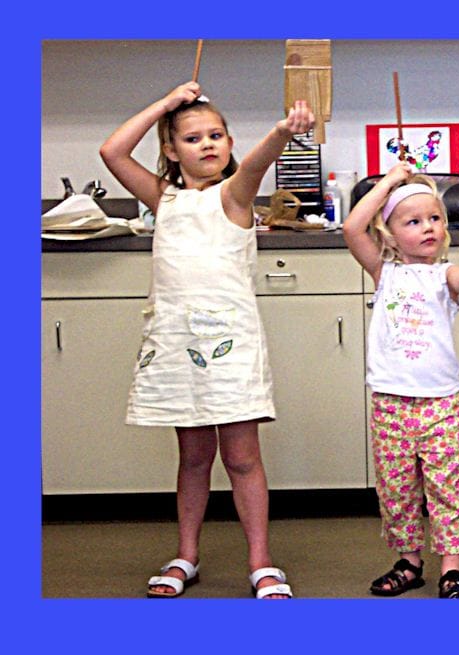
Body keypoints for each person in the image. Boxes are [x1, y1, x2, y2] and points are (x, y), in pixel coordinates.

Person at [99, 81, 315, 599]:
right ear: (171, 151)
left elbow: (259, 164)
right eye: (193, 138)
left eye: (217, 135)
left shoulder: (233, 194)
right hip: (176, 346)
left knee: (242, 457)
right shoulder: (163, 199)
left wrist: (283, 131)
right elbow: (112, 150)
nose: (209, 145)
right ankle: (186, 555)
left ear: (230, 141)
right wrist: (167, 105)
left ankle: (261, 561)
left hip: (229, 348)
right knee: (193, 457)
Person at [342, 161, 459, 599]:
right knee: (397, 487)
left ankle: (452, 568)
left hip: (440, 402)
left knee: (447, 486)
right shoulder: (385, 274)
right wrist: (389, 182)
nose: (428, 228)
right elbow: (351, 227)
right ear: (388, 232)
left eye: (435, 219)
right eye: (414, 221)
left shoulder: (444, 277)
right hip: (390, 401)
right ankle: (409, 562)